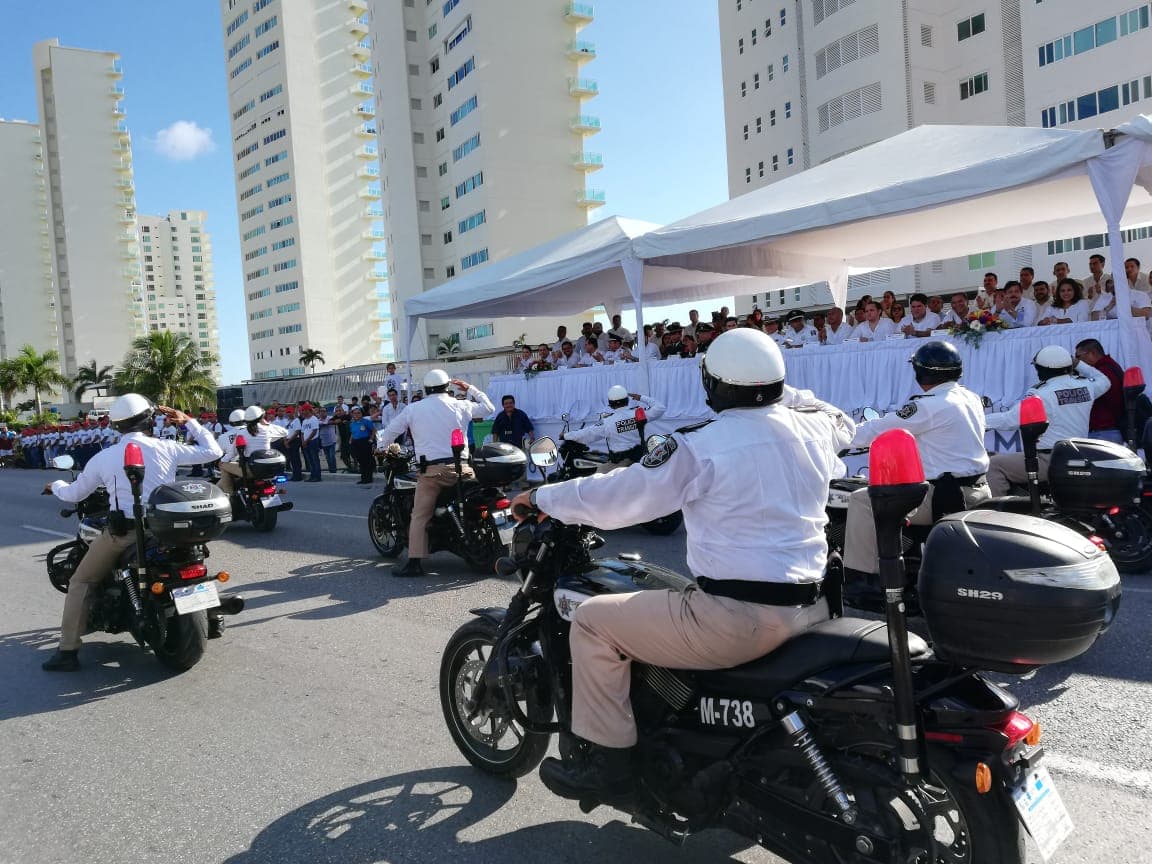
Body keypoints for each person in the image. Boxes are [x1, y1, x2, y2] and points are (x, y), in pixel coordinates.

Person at [512, 329, 854, 800]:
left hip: (739, 620)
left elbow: (620, 497)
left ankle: (608, 765)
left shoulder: (700, 443)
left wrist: (542, 496)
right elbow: (839, 418)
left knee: (591, 621)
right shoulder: (814, 426)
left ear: (713, 386)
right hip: (814, 610)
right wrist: (776, 385)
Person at [40, 395, 223, 671]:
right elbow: (213, 451)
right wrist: (188, 422)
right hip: (165, 530)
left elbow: (74, 493)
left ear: (116, 426)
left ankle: (67, 651)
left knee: (81, 581)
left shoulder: (104, 457)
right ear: (150, 420)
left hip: (125, 533)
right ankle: (211, 614)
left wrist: (55, 485)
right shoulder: (167, 447)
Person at [842, 342, 991, 584]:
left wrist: (835, 437)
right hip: (977, 488)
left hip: (944, 495)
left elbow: (875, 430)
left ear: (922, 372)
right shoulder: (969, 397)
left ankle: (863, 581)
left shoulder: (928, 405)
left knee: (861, 500)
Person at [379, 370, 495, 577]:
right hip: (463, 469)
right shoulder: (461, 404)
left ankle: (414, 563)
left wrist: (381, 445)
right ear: (447, 387)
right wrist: (470, 389)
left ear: (426, 388)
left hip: (433, 473)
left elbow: (390, 431)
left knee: (419, 515)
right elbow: (489, 408)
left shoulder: (414, 409)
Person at [984, 346, 1112, 495]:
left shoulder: (1042, 393)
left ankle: (998, 515)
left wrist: (977, 420)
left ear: (1042, 370)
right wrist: (1078, 364)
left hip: (1051, 459)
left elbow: (1010, 420)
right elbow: (1104, 381)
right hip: (1078, 455)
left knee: (994, 465)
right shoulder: (1086, 386)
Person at [562, 386, 666, 461]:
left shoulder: (607, 421)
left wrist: (566, 435)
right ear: (627, 400)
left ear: (610, 404)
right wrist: (641, 397)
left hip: (618, 464)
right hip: (639, 459)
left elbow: (587, 433)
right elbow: (660, 408)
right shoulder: (638, 413)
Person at [1075, 338, 1126, 444]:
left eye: (1078, 357)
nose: (1078, 362)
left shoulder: (1104, 372)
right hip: (1107, 431)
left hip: (1103, 432)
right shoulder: (1110, 367)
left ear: (1091, 354)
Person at [348, 406, 376, 485]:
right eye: (354, 413)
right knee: (360, 461)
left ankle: (369, 478)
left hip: (365, 442)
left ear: (361, 414)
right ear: (352, 414)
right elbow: (352, 433)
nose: (356, 414)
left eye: (358, 413)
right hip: (356, 442)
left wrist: (371, 439)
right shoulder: (352, 423)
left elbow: (373, 430)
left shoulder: (366, 421)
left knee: (367, 461)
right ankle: (363, 478)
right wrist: (350, 440)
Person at [300, 403, 322, 482]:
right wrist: (303, 441)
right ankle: (312, 476)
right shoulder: (304, 421)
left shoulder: (314, 419)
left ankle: (317, 476)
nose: (302, 412)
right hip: (306, 442)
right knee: (310, 460)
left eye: (303, 410)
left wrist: (306, 440)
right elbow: (302, 432)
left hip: (313, 441)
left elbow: (314, 431)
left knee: (315, 459)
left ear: (308, 410)